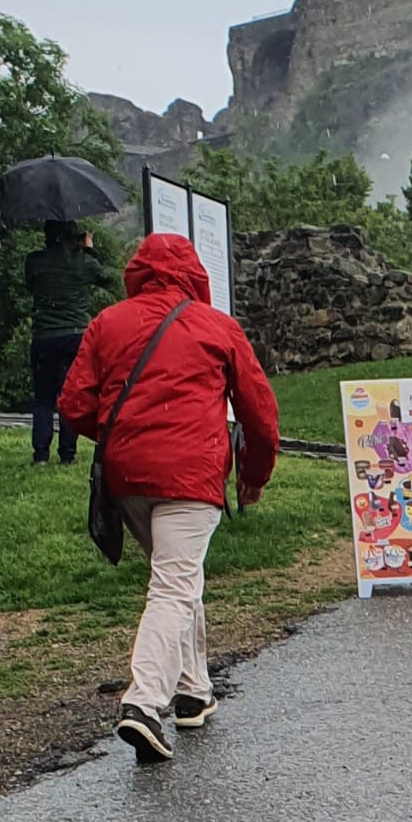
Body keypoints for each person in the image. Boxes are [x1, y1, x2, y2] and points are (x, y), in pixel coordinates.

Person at [58, 233, 279, 765]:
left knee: (177, 578)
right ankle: (143, 704)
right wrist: (254, 474)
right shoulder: (216, 327)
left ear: (136, 273)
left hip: (127, 476)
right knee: (174, 586)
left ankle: (193, 691)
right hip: (191, 474)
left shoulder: (107, 323)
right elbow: (260, 415)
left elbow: (72, 403)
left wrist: (121, 438)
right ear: (195, 274)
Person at [23, 220, 109, 465]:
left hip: (43, 335)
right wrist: (88, 249)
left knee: (43, 399)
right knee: (69, 396)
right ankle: (67, 455)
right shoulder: (83, 263)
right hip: (75, 335)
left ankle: (40, 455)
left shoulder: (34, 261)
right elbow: (106, 277)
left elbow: (30, 284)